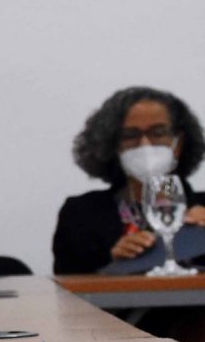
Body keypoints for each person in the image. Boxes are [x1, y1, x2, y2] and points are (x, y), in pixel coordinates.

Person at [52, 86, 205, 274]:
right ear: (112, 146)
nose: (145, 144)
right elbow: (65, 285)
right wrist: (112, 262)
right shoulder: (80, 215)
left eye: (158, 133)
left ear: (178, 143)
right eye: (130, 136)